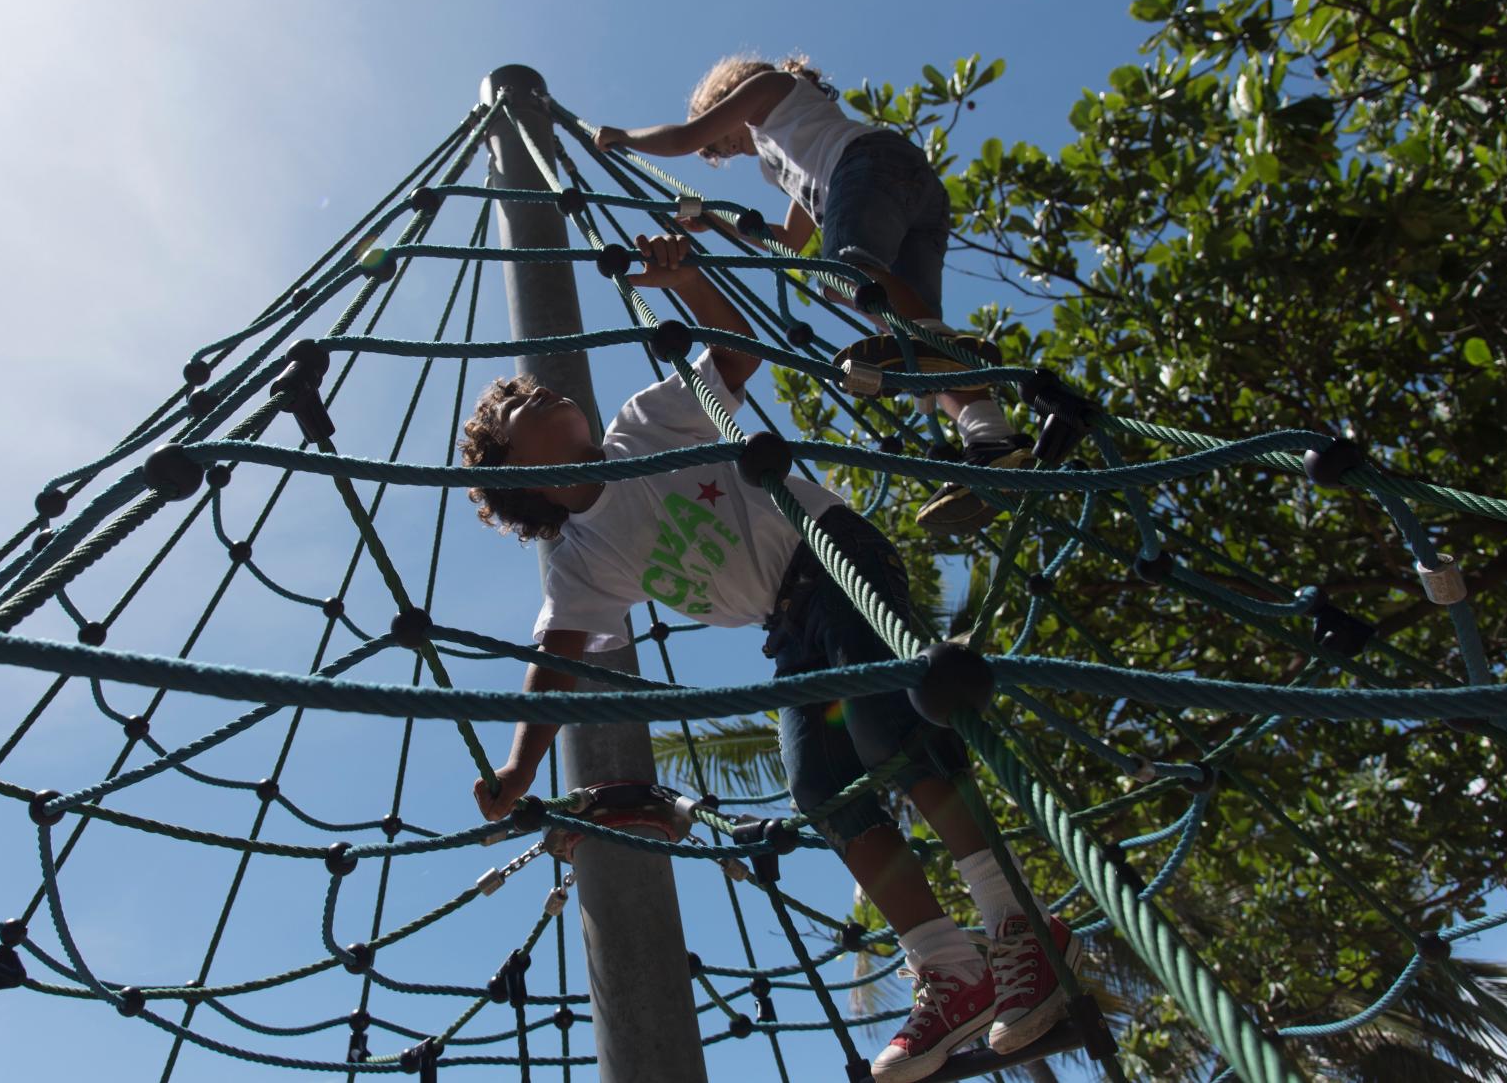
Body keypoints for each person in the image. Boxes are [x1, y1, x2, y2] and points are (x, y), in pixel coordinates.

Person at [459, 233, 1080, 1080]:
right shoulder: (581, 559)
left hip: (831, 557)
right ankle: (951, 966)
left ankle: (1016, 922)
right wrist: (520, 762)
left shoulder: (645, 423)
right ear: (518, 476)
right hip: (785, 626)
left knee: (889, 729)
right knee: (821, 784)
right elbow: (556, 659)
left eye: (536, 391)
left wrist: (692, 280)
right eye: (516, 409)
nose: (537, 394)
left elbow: (732, 352)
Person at [594, 54, 1032, 536]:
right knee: (915, 338)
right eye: (727, 151)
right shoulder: (782, 155)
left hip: (870, 166)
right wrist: (716, 223)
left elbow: (682, 137)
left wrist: (623, 137)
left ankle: (952, 370)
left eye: (723, 140)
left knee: (844, 275)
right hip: (913, 194)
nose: (732, 148)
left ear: (725, 97)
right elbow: (789, 239)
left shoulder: (770, 88)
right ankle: (992, 440)